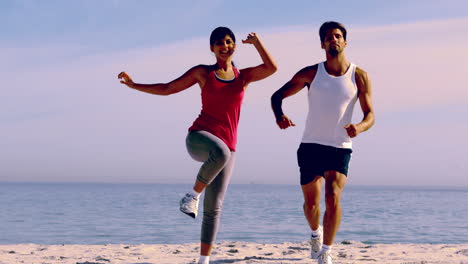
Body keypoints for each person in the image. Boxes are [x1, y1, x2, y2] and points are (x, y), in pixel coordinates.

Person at [118, 27, 277, 264]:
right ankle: (192, 195)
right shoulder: (203, 73)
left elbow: (272, 68)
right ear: (212, 48)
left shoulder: (243, 76)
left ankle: (203, 260)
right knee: (219, 152)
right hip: (199, 138)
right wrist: (134, 85)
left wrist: (257, 43)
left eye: (229, 42)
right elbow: (167, 88)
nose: (225, 46)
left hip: (228, 148)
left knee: (214, 208)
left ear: (234, 46)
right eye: (220, 43)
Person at [271, 21, 375, 264]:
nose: (333, 40)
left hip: (340, 146)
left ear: (345, 42)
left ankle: (326, 250)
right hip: (311, 145)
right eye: (328, 37)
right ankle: (315, 234)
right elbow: (277, 95)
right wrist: (280, 116)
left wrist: (358, 127)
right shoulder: (310, 73)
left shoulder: (359, 76)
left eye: (338, 36)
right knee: (311, 204)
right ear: (322, 44)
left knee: (333, 196)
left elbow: (370, 115)